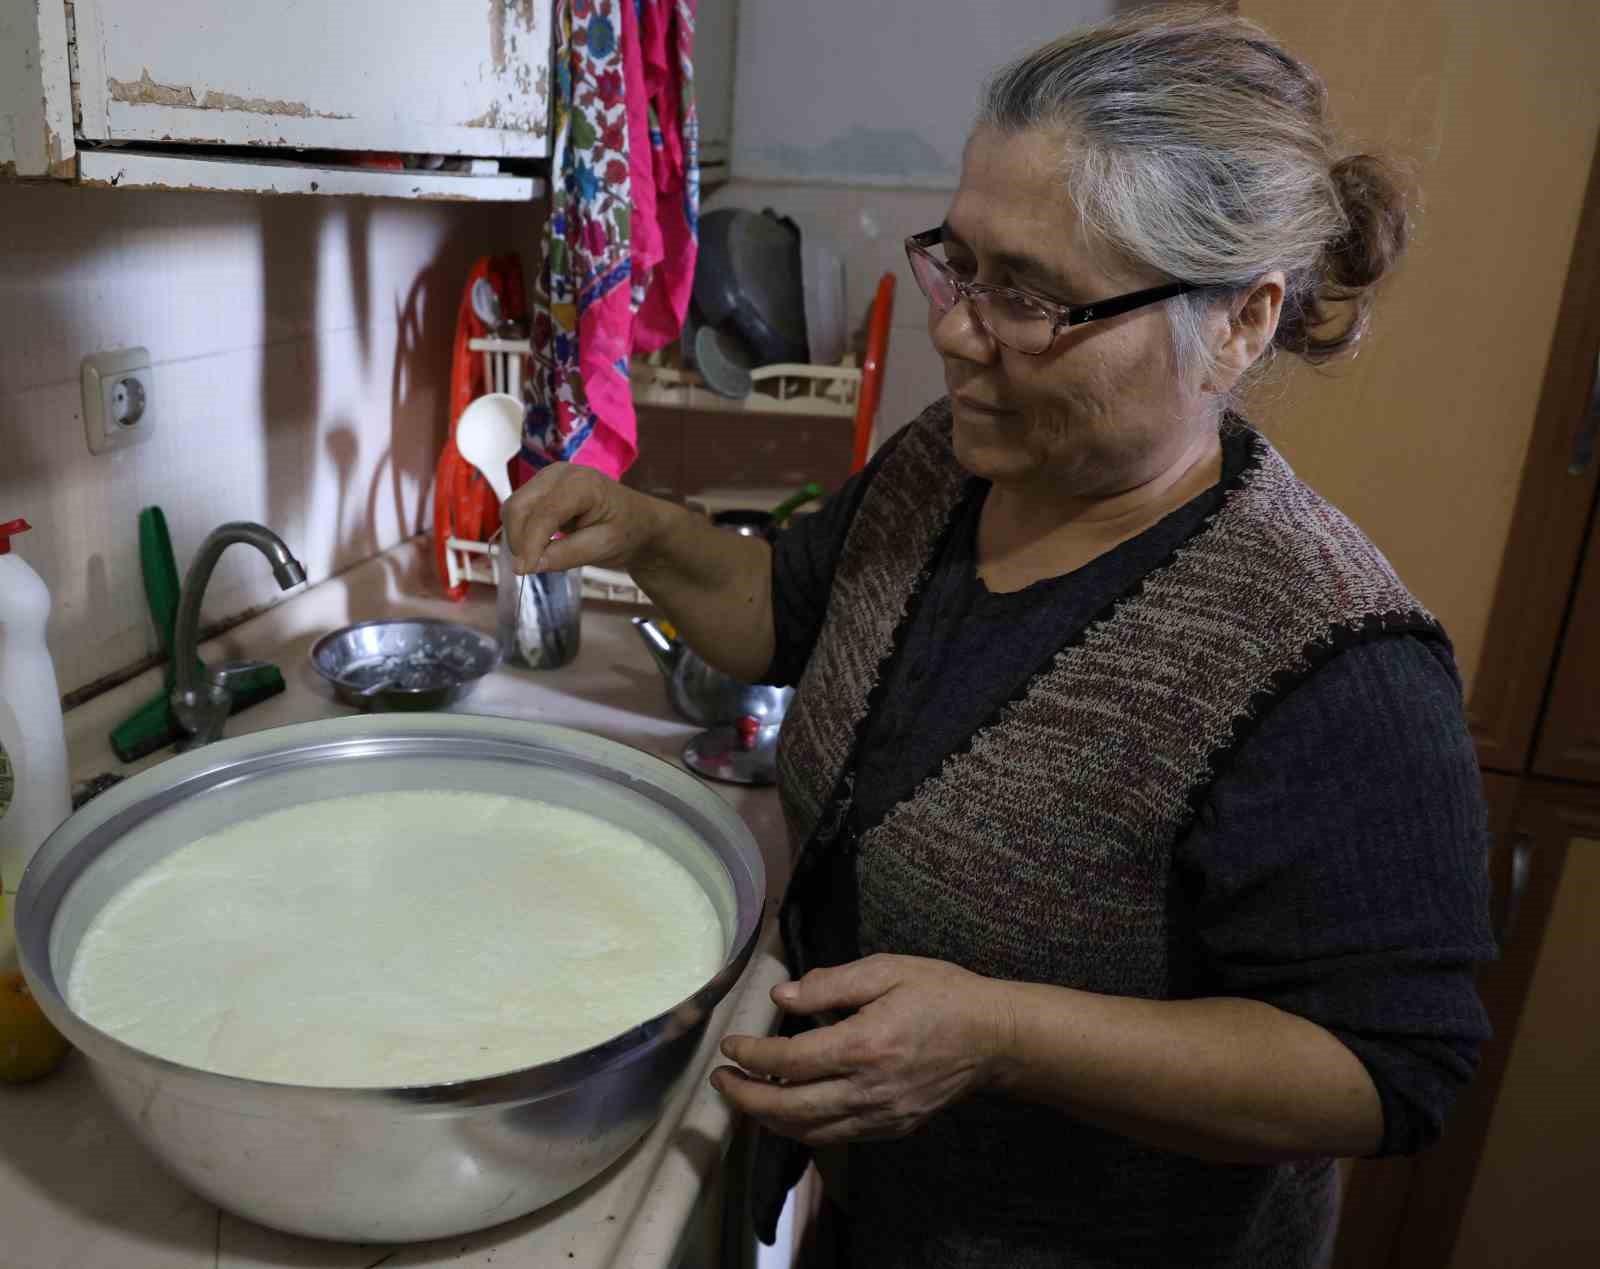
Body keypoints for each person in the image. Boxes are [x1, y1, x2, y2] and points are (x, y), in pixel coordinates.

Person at [504, 7, 1495, 1266]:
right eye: (959, 264)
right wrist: (649, 532)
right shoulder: (954, 462)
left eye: (1030, 297)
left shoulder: (1328, 655)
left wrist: (1002, 1038)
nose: (957, 329)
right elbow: (787, 617)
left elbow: (1386, 1068)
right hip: (880, 1216)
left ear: (1237, 323)